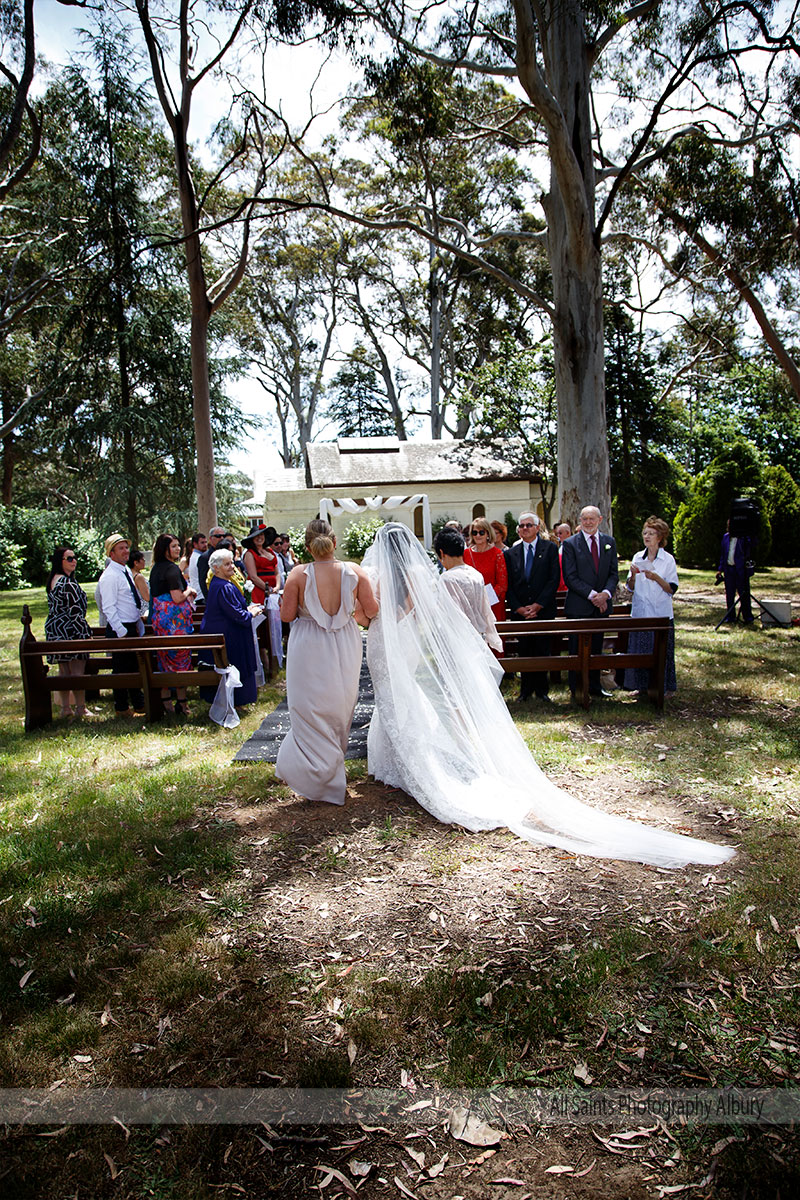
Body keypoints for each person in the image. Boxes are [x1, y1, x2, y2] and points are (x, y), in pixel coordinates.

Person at [363, 523, 734, 867]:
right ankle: (397, 760)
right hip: (421, 643)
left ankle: (409, 765)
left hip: (395, 643)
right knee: (404, 702)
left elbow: (390, 615)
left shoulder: (404, 578)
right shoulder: (430, 576)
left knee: (401, 701)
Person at [276, 518, 378, 806]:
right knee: (339, 705)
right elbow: (371, 611)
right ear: (334, 543)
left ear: (308, 547)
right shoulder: (355, 572)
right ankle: (332, 770)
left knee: (307, 706)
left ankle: (313, 775)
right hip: (345, 643)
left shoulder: (298, 574)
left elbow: (286, 615)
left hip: (307, 644)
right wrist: (348, 610)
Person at [561, 506, 619, 698]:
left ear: (600, 519)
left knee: (596, 649)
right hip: (579, 605)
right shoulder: (570, 544)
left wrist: (605, 594)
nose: (587, 522)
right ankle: (576, 687)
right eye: (584, 519)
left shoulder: (609, 542)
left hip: (601, 607)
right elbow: (570, 577)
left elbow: (613, 574)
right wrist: (594, 595)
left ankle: (595, 686)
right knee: (576, 649)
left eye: (591, 518)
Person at [503, 511, 560, 702]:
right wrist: (519, 608)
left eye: (529, 525)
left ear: (537, 528)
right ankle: (525, 690)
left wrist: (538, 605)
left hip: (543, 610)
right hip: (520, 612)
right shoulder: (510, 553)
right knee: (525, 650)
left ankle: (542, 691)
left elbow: (553, 580)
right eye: (521, 525)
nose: (524, 528)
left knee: (542, 649)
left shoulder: (550, 549)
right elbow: (508, 584)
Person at [624, 517, 679, 697]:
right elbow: (630, 587)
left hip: (660, 612)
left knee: (662, 651)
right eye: (645, 533)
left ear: (660, 537)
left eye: (651, 534)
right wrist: (632, 576)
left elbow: (671, 588)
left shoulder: (668, 559)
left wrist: (656, 577)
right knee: (640, 650)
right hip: (641, 612)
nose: (647, 537)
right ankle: (641, 687)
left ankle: (664, 686)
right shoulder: (638, 557)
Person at [200, 548, 261, 708]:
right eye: (227, 564)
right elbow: (237, 615)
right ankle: (236, 701)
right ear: (216, 568)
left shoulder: (221, 584)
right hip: (229, 635)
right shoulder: (223, 587)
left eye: (232, 562)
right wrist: (252, 612)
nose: (232, 567)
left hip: (227, 632)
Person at [95, 533, 145, 717]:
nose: (126, 551)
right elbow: (108, 607)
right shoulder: (109, 576)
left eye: (126, 547)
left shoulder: (124, 572)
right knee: (121, 669)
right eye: (121, 548)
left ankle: (138, 703)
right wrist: (122, 632)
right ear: (111, 553)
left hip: (131, 625)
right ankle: (122, 707)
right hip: (120, 628)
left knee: (132, 667)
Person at [149, 533, 197, 716]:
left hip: (161, 620)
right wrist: (190, 590)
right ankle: (182, 704)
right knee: (180, 659)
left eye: (178, 545)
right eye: (174, 546)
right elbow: (177, 597)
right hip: (174, 623)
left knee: (164, 659)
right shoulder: (171, 569)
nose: (178, 549)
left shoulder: (156, 568)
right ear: (165, 549)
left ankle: (166, 702)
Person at [434, 527, 502, 652]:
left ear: (442, 553)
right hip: (478, 637)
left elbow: (449, 615)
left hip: (458, 641)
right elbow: (485, 610)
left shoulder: (447, 578)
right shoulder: (476, 574)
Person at [44, 546, 93, 719]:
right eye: (69, 558)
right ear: (60, 561)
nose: (74, 561)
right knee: (77, 670)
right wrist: (85, 633)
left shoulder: (54, 580)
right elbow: (75, 612)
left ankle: (66, 708)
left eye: (74, 558)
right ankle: (80, 707)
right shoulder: (66, 583)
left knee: (64, 671)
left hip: (56, 629)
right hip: (70, 630)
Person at [464, 515, 508, 623]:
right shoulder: (466, 554)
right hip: (471, 605)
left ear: (488, 533)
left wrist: (484, 598)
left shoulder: (497, 554)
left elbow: (502, 585)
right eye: (475, 532)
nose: (478, 535)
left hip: (492, 604)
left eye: (481, 532)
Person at [716, 521, 755, 625]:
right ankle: (730, 617)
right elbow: (723, 555)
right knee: (729, 594)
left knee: (744, 594)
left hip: (741, 570)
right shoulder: (726, 537)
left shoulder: (744, 539)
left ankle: (747, 617)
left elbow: (752, 546)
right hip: (729, 570)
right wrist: (720, 569)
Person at [242, 522, 280, 605]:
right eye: (256, 536)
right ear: (252, 538)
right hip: (258, 591)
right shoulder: (250, 553)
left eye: (262, 535)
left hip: (273, 590)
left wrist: (277, 587)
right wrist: (268, 589)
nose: (259, 537)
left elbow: (277, 572)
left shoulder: (270, 551)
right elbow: (253, 576)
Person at [197, 527, 227, 600]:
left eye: (224, 536)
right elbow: (203, 581)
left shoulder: (227, 554)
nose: (222, 538)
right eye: (218, 536)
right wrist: (210, 599)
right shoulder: (205, 557)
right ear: (210, 539)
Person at [128, 548, 150, 617]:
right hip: (144, 611)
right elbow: (147, 597)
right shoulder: (138, 577)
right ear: (136, 563)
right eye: (142, 559)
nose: (144, 561)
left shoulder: (129, 574)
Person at [553, 522, 572, 593]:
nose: (558, 536)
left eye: (560, 533)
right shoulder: (561, 546)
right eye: (557, 533)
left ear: (567, 533)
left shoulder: (571, 547)